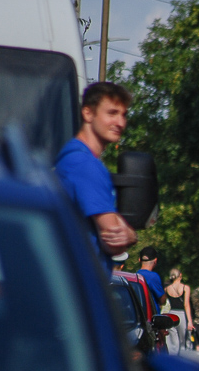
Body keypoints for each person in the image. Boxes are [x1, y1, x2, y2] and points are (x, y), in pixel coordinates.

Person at [54, 81, 137, 263]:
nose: (120, 122)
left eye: (124, 115)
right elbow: (113, 242)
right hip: (80, 282)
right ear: (88, 113)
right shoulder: (86, 165)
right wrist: (131, 236)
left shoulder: (70, 156)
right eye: (112, 113)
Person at [163, 268, 191, 354]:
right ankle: (182, 358)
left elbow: (164, 303)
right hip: (182, 314)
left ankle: (172, 357)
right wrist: (190, 321)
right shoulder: (185, 288)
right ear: (180, 275)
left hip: (171, 314)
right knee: (183, 340)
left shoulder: (167, 289)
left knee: (172, 341)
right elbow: (186, 304)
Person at [137, 247, 166, 314]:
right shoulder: (153, 277)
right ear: (155, 261)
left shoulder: (134, 276)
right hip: (151, 316)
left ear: (139, 260)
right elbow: (162, 300)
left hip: (139, 315)